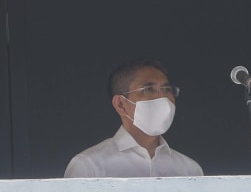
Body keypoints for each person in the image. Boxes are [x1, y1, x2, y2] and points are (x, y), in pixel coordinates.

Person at [64, 59, 203, 178]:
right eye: (148, 89)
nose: (163, 97)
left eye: (167, 89)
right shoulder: (89, 167)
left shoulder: (189, 170)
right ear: (121, 104)